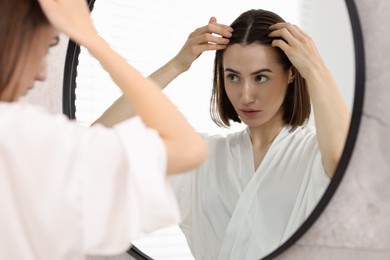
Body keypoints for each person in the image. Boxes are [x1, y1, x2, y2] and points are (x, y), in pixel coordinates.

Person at [96, 9, 351, 260]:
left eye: (261, 77)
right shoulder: (202, 159)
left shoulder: (315, 155)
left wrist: (316, 69)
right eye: (233, 77)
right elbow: (97, 142)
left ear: (292, 73)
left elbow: (344, 162)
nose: (245, 95)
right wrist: (176, 65)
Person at [0, 0, 209, 259]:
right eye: (49, 45)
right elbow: (187, 148)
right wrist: (90, 37)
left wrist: (177, 65)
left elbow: (97, 135)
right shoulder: (21, 135)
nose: (43, 73)